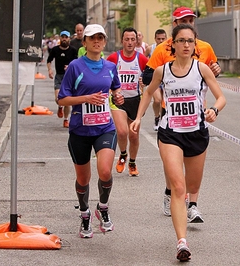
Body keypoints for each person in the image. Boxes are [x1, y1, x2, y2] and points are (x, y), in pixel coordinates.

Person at [130, 24, 226, 262]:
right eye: (181, 40)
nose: (185, 45)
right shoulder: (163, 71)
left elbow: (221, 97)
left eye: (189, 41)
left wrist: (214, 109)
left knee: (192, 186)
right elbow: (148, 91)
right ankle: (182, 241)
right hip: (170, 132)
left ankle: (186, 207)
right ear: (172, 44)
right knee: (179, 188)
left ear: (195, 45)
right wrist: (139, 117)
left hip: (196, 133)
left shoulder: (202, 69)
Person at [142, 6, 221, 222]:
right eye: (183, 19)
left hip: (197, 116)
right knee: (175, 169)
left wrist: (215, 71)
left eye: (191, 19)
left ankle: (192, 204)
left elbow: (215, 69)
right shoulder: (161, 50)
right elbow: (149, 76)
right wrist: (156, 96)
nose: (188, 22)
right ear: (174, 25)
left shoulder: (204, 46)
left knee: (193, 170)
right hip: (171, 116)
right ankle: (172, 193)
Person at [57, 24, 124, 238]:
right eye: (91, 38)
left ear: (104, 42)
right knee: (83, 179)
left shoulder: (110, 67)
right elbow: (62, 98)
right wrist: (86, 98)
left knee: (105, 171)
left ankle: (102, 208)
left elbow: (115, 90)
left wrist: (118, 97)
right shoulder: (75, 67)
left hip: (104, 127)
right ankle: (85, 214)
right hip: (80, 130)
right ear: (84, 42)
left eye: (100, 38)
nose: (96, 41)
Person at [106, 27, 148, 176]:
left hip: (136, 100)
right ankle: (123, 154)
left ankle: (132, 162)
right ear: (122, 40)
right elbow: (105, 76)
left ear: (136, 41)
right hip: (118, 100)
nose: (130, 42)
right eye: (127, 39)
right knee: (122, 132)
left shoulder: (141, 59)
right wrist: (111, 91)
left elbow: (151, 76)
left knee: (134, 135)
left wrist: (145, 81)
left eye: (132, 39)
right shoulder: (113, 58)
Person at [47, 30, 78, 128]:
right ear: (60, 38)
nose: (64, 39)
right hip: (59, 76)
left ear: (69, 39)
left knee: (67, 100)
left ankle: (66, 119)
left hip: (69, 77)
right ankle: (60, 106)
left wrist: (70, 67)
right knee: (58, 98)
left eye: (66, 37)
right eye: (63, 37)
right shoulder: (55, 50)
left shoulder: (73, 50)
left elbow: (77, 63)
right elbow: (49, 60)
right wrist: (50, 70)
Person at [144, 29, 167, 131]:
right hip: (155, 78)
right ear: (155, 39)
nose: (161, 41)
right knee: (157, 100)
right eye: (159, 39)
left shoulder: (170, 49)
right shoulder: (150, 49)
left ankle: (163, 120)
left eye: (163, 39)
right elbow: (143, 61)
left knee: (164, 102)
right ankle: (156, 117)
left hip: (166, 79)